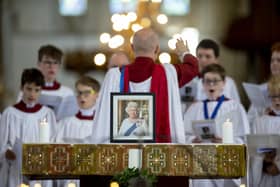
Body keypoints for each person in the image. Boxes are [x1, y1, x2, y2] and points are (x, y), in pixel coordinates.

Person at [90, 28, 198, 144]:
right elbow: (193, 67)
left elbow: (102, 118)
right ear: (157, 49)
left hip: (123, 152)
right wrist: (184, 52)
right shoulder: (168, 73)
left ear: (132, 48)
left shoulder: (113, 76)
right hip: (158, 152)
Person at [183, 64, 250, 187]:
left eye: (215, 81)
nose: (211, 85)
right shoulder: (195, 108)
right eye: (207, 81)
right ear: (202, 84)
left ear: (224, 83)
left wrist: (226, 140)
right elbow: (184, 135)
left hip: (225, 162)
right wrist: (193, 140)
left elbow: (244, 139)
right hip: (201, 164)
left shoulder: (235, 107)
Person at [0, 68, 56, 187]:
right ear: (22, 88)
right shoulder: (10, 113)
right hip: (16, 168)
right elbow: (2, 143)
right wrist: (6, 152)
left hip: (40, 169)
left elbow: (52, 142)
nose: (32, 94)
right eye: (29, 89)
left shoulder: (46, 114)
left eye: (37, 90)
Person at [55, 75, 100, 187]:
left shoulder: (101, 125)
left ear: (97, 95)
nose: (81, 97)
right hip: (69, 177)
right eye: (79, 93)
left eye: (86, 93)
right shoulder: (65, 124)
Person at [180, 39, 240, 113]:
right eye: (199, 56)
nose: (203, 60)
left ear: (216, 59)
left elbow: (236, 108)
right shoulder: (188, 81)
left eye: (208, 56)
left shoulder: (228, 83)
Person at [17, 44, 76, 120]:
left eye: (55, 63)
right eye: (47, 62)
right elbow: (19, 115)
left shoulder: (67, 93)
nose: (51, 66)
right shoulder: (28, 90)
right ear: (39, 64)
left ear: (60, 66)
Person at [250, 75, 280, 187]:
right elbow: (253, 148)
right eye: (273, 96)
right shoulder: (260, 121)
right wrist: (264, 162)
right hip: (264, 173)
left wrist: (278, 166)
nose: (276, 100)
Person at [248, 42, 280, 130]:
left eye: (278, 60)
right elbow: (249, 120)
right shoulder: (261, 89)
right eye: (272, 60)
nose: (274, 63)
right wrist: (262, 114)